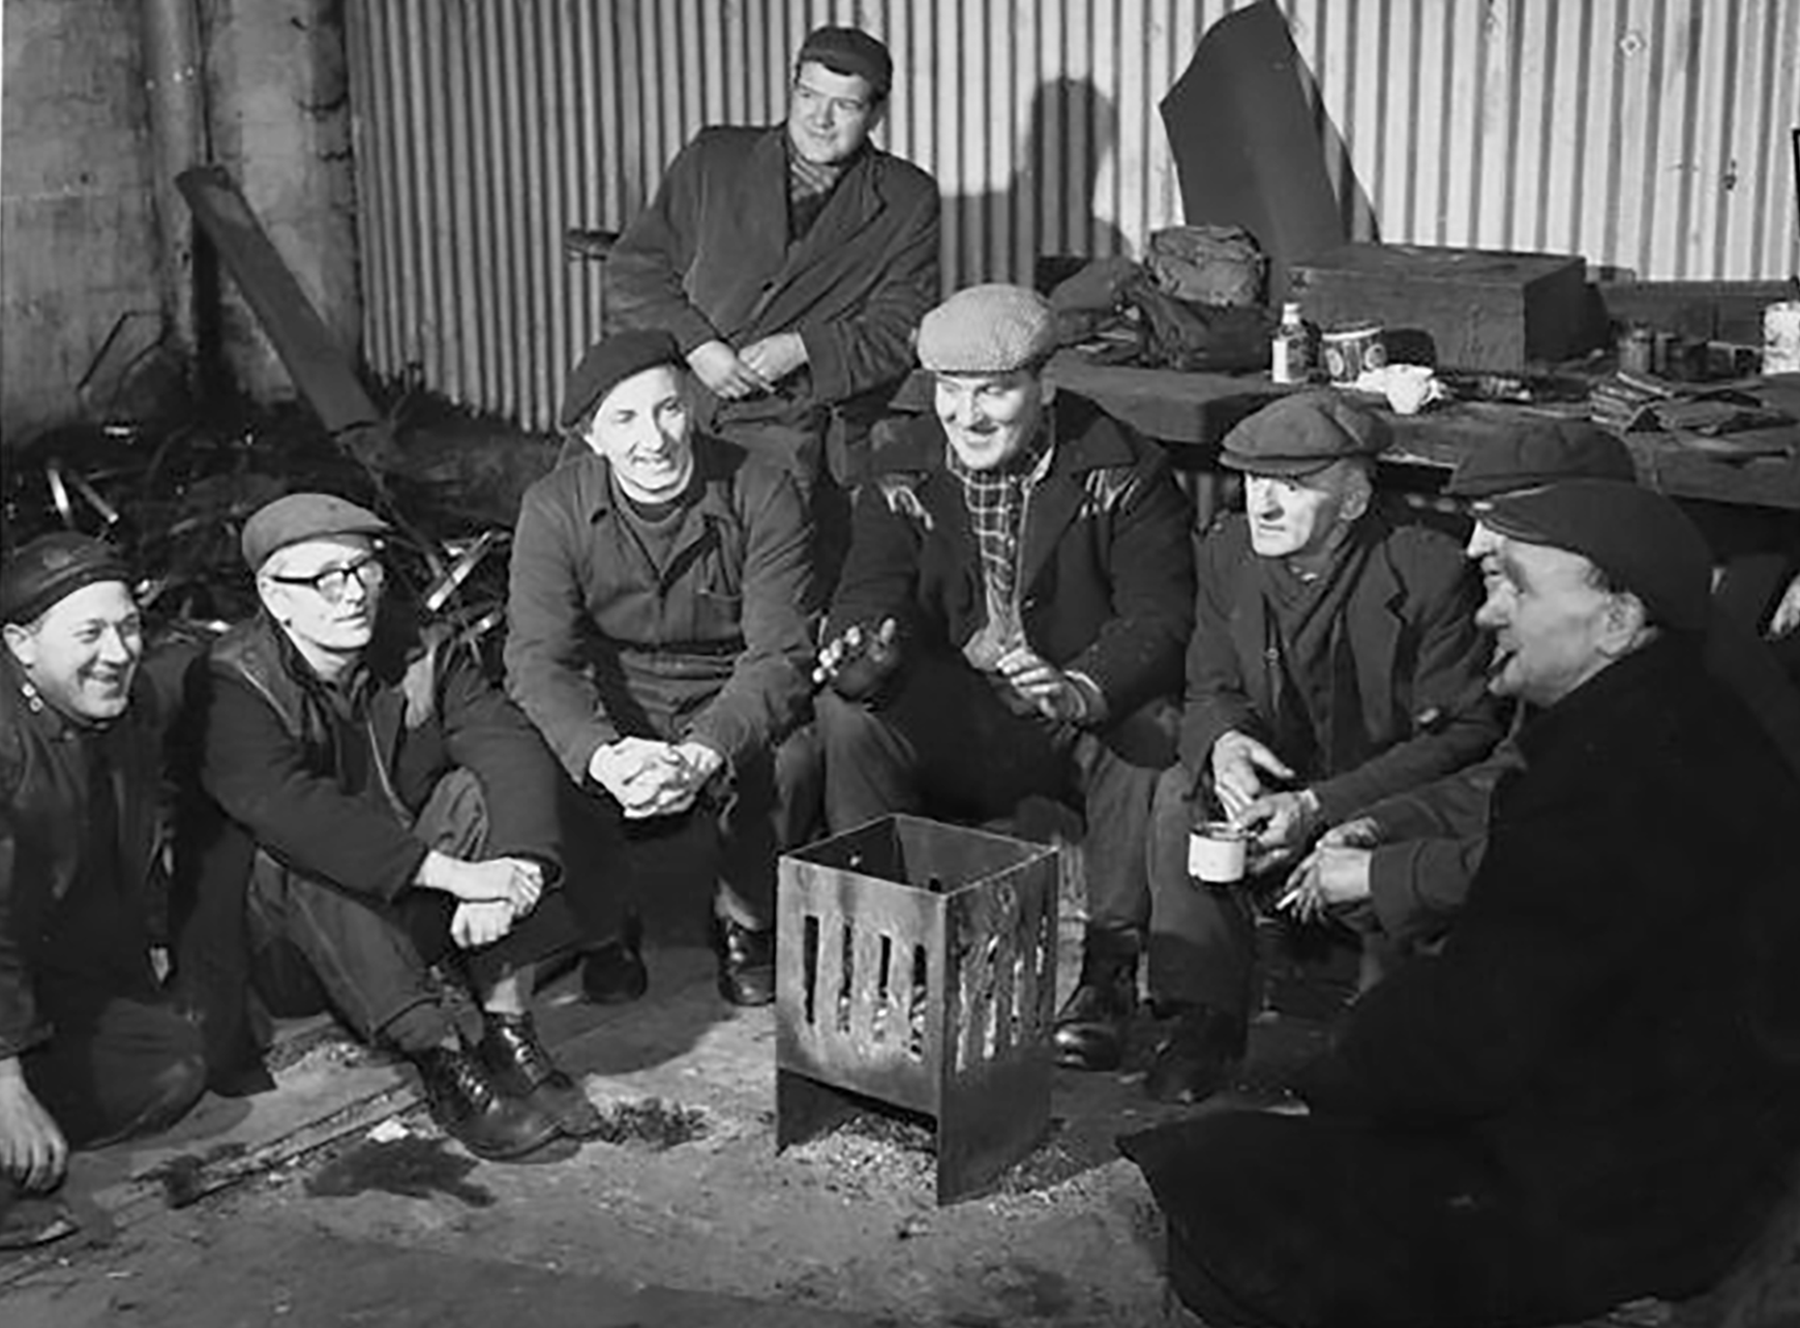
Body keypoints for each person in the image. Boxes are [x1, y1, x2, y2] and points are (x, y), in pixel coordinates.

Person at [1121, 480, 1800, 1328]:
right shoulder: (1658, 722)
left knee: (1207, 1189)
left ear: (1618, 621)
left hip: (1635, 1186)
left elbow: (1482, 1028)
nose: (1488, 615)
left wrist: (1326, 1079)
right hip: (1658, 1137)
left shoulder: (1623, 780)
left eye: (1516, 586)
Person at [1285, 420, 1800, 966]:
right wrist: (1384, 825)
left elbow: (1581, 857)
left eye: (1502, 516)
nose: (1475, 544)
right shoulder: (1583, 644)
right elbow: (1513, 777)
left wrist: (1385, 872)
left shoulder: (1684, 682)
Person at [815, 284, 1193, 1027]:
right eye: (950, 393)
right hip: (958, 715)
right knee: (845, 714)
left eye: (994, 393)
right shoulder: (900, 464)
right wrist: (863, 649)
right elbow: (872, 583)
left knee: (1153, 726)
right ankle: (891, 954)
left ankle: (1110, 972)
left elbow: (1161, 614)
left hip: (1069, 718)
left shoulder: (1123, 468)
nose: (968, 416)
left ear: (1045, 386)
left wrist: (1081, 684)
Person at [175, 494, 594, 1161]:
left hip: (412, 909)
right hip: (297, 947)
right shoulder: (231, 680)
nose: (354, 594)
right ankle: (443, 1061)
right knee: (298, 852)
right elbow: (292, 809)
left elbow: (504, 740)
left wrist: (518, 870)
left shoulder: (416, 645)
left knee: (479, 788)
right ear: (272, 596)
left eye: (365, 569)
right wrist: (464, 877)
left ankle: (507, 1030)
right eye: (324, 579)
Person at [1135, 391, 1500, 1104]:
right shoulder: (1229, 551)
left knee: (1382, 1051)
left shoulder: (1426, 571)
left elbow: (1466, 733)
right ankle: (1206, 1017)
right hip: (1281, 778)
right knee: (1180, 794)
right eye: (1253, 482)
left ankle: (1378, 1027)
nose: (1265, 505)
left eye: (1295, 487)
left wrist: (1317, 806)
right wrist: (1225, 743)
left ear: (1356, 497)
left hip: (1382, 786)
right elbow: (1208, 684)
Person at [506, 330, 816, 1009]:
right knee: (547, 752)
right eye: (624, 419)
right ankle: (603, 931)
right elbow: (537, 658)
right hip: (614, 687)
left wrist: (706, 751)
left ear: (692, 408)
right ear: (592, 437)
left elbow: (780, 655)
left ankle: (749, 925)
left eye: (669, 409)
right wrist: (603, 754)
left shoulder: (763, 491)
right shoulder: (553, 507)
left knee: (790, 756)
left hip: (727, 682)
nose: (654, 439)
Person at [604, 24, 940, 499]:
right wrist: (697, 345)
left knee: (765, 554)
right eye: (808, 95)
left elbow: (900, 328)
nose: (819, 119)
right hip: (669, 396)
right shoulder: (715, 158)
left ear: (877, 113)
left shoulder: (907, 198)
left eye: (844, 105)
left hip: (785, 424)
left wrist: (804, 348)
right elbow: (633, 273)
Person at [1, 534, 205, 1246]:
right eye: (89, 633)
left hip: (45, 974)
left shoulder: (125, 705)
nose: (118, 653)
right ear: (21, 645)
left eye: (128, 626)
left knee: (175, 1068)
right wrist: (2, 1080)